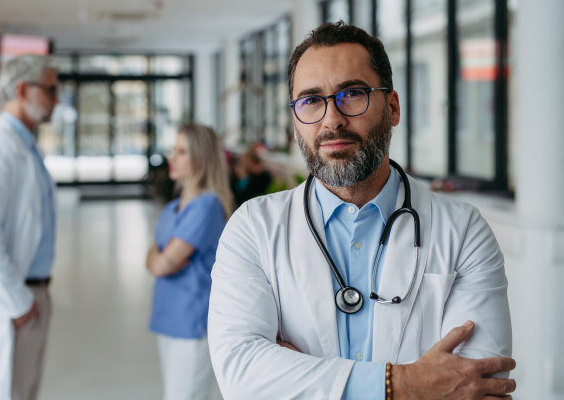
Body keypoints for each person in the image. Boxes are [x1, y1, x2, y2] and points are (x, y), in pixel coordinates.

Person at [208, 22, 515, 400]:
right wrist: (404, 384)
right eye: (311, 100)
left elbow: (479, 387)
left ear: (393, 107)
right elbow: (241, 374)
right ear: (294, 123)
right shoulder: (253, 229)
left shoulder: (463, 230)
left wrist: (299, 375)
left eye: (352, 94)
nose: (332, 118)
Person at [0, 55, 59, 400]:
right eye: (50, 90)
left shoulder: (25, 147)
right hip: (13, 301)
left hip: (32, 295)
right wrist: (18, 303)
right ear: (22, 89)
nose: (57, 100)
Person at [146, 123, 234, 400]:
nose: (172, 158)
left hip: (193, 322)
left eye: (181, 152)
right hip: (169, 317)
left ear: (200, 158)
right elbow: (153, 258)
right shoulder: (174, 207)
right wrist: (160, 259)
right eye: (174, 150)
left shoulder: (206, 207)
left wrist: (159, 259)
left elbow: (158, 264)